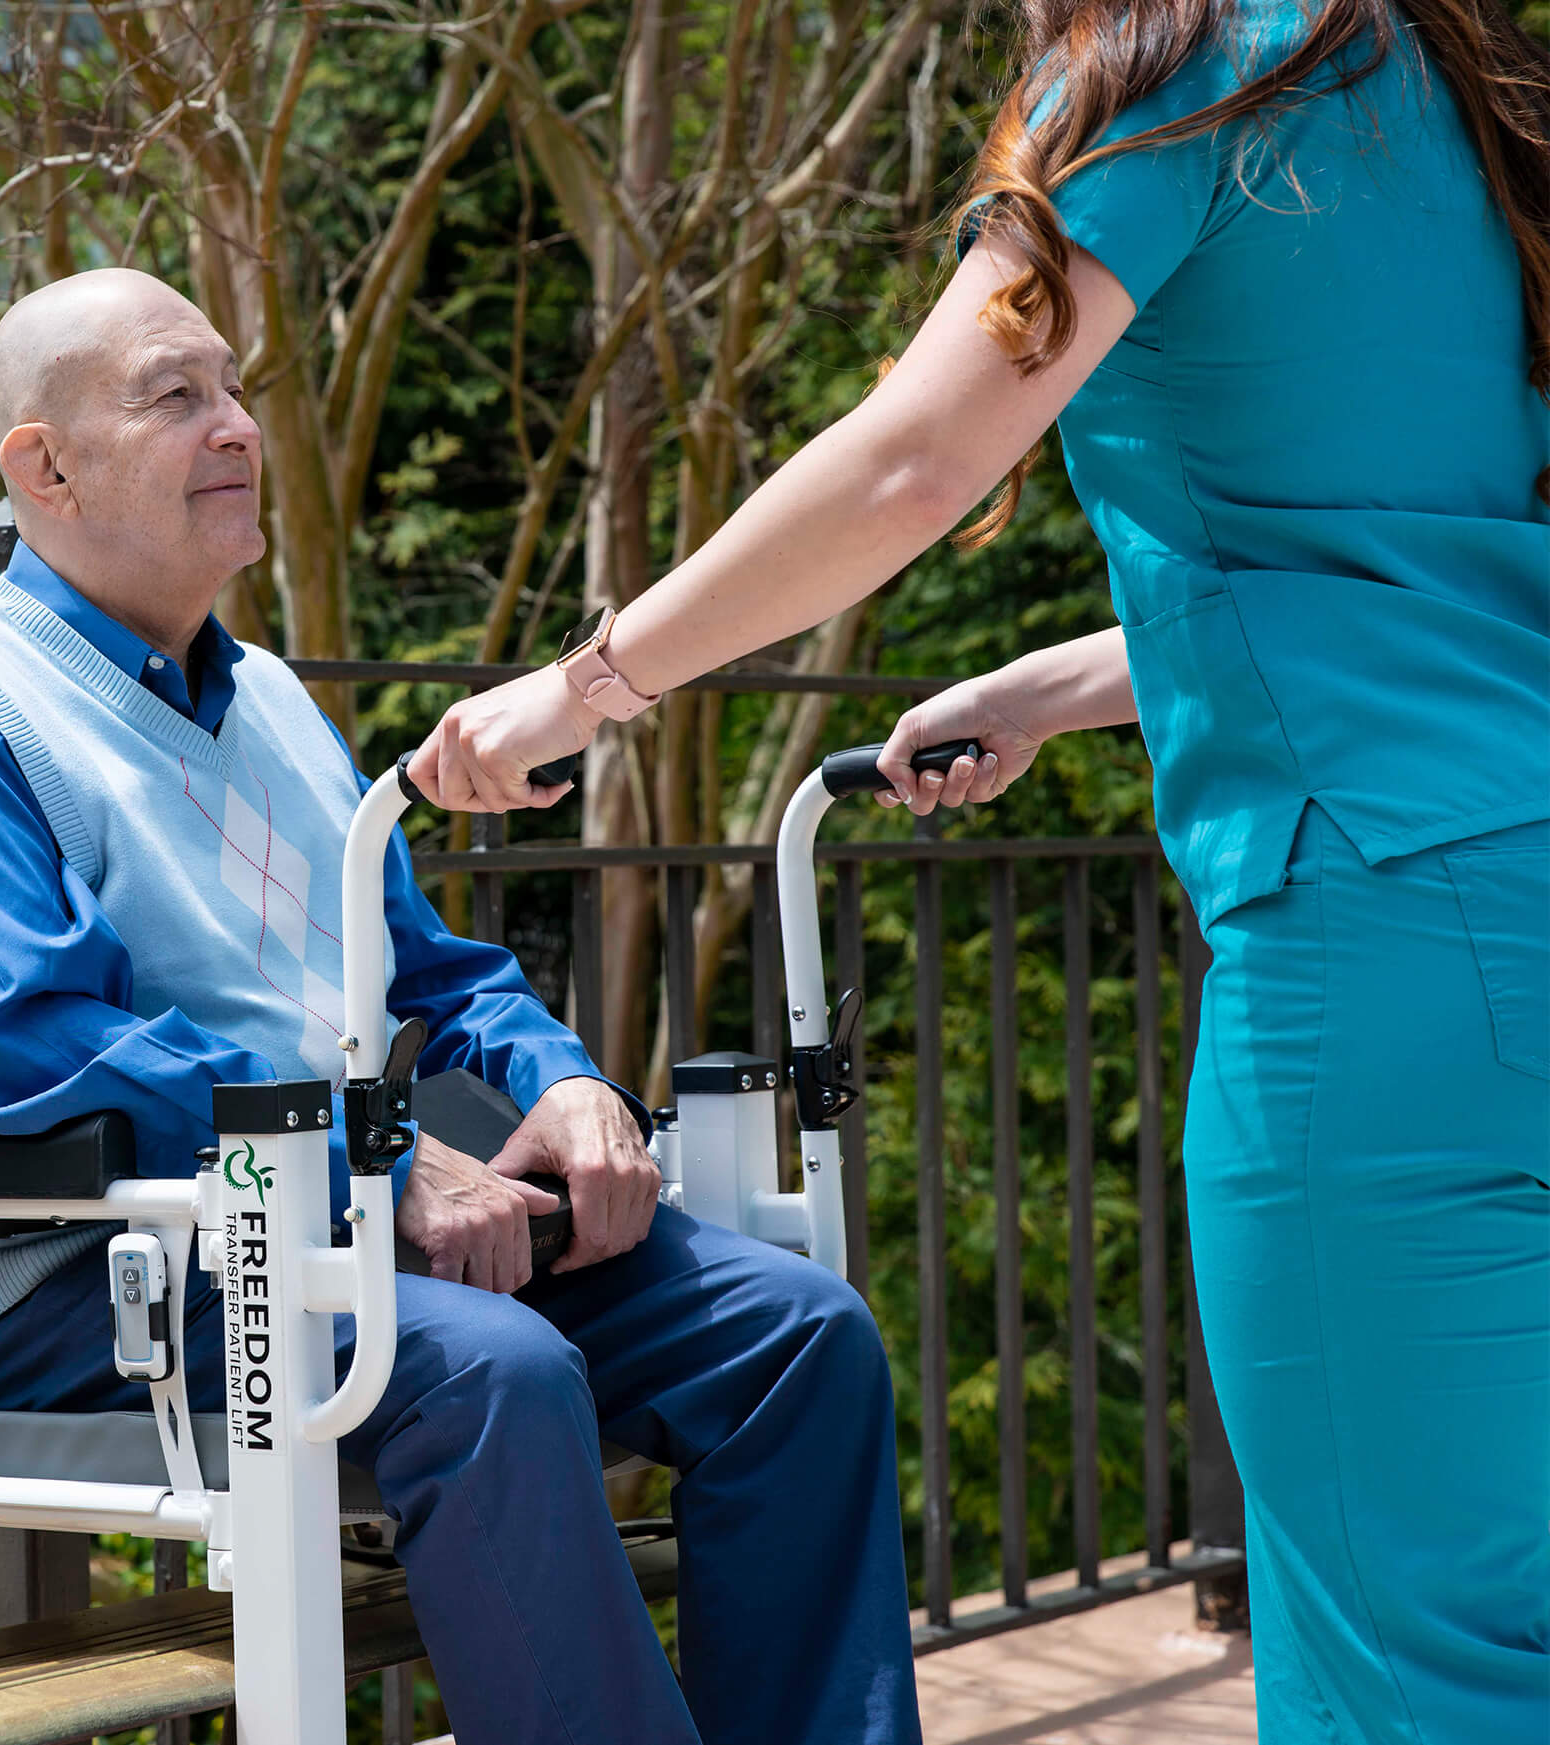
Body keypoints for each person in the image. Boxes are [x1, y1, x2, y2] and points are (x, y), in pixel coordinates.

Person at [410, 2, 1550, 1740]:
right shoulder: (1439, 94)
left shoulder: (1173, 71)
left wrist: (586, 689)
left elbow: (916, 456)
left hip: (1372, 946)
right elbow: (1401, 558)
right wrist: (1063, 683)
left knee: (1413, 1653)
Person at [0, 267, 922, 1744]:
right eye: (175, 395)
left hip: (320, 1233)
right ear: (43, 466)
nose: (237, 427)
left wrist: (561, 1085)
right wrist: (375, 1167)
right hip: (92, 1280)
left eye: (233, 387)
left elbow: (429, 967)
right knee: (498, 1370)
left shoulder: (267, 693)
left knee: (796, 1334)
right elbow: (19, 1046)